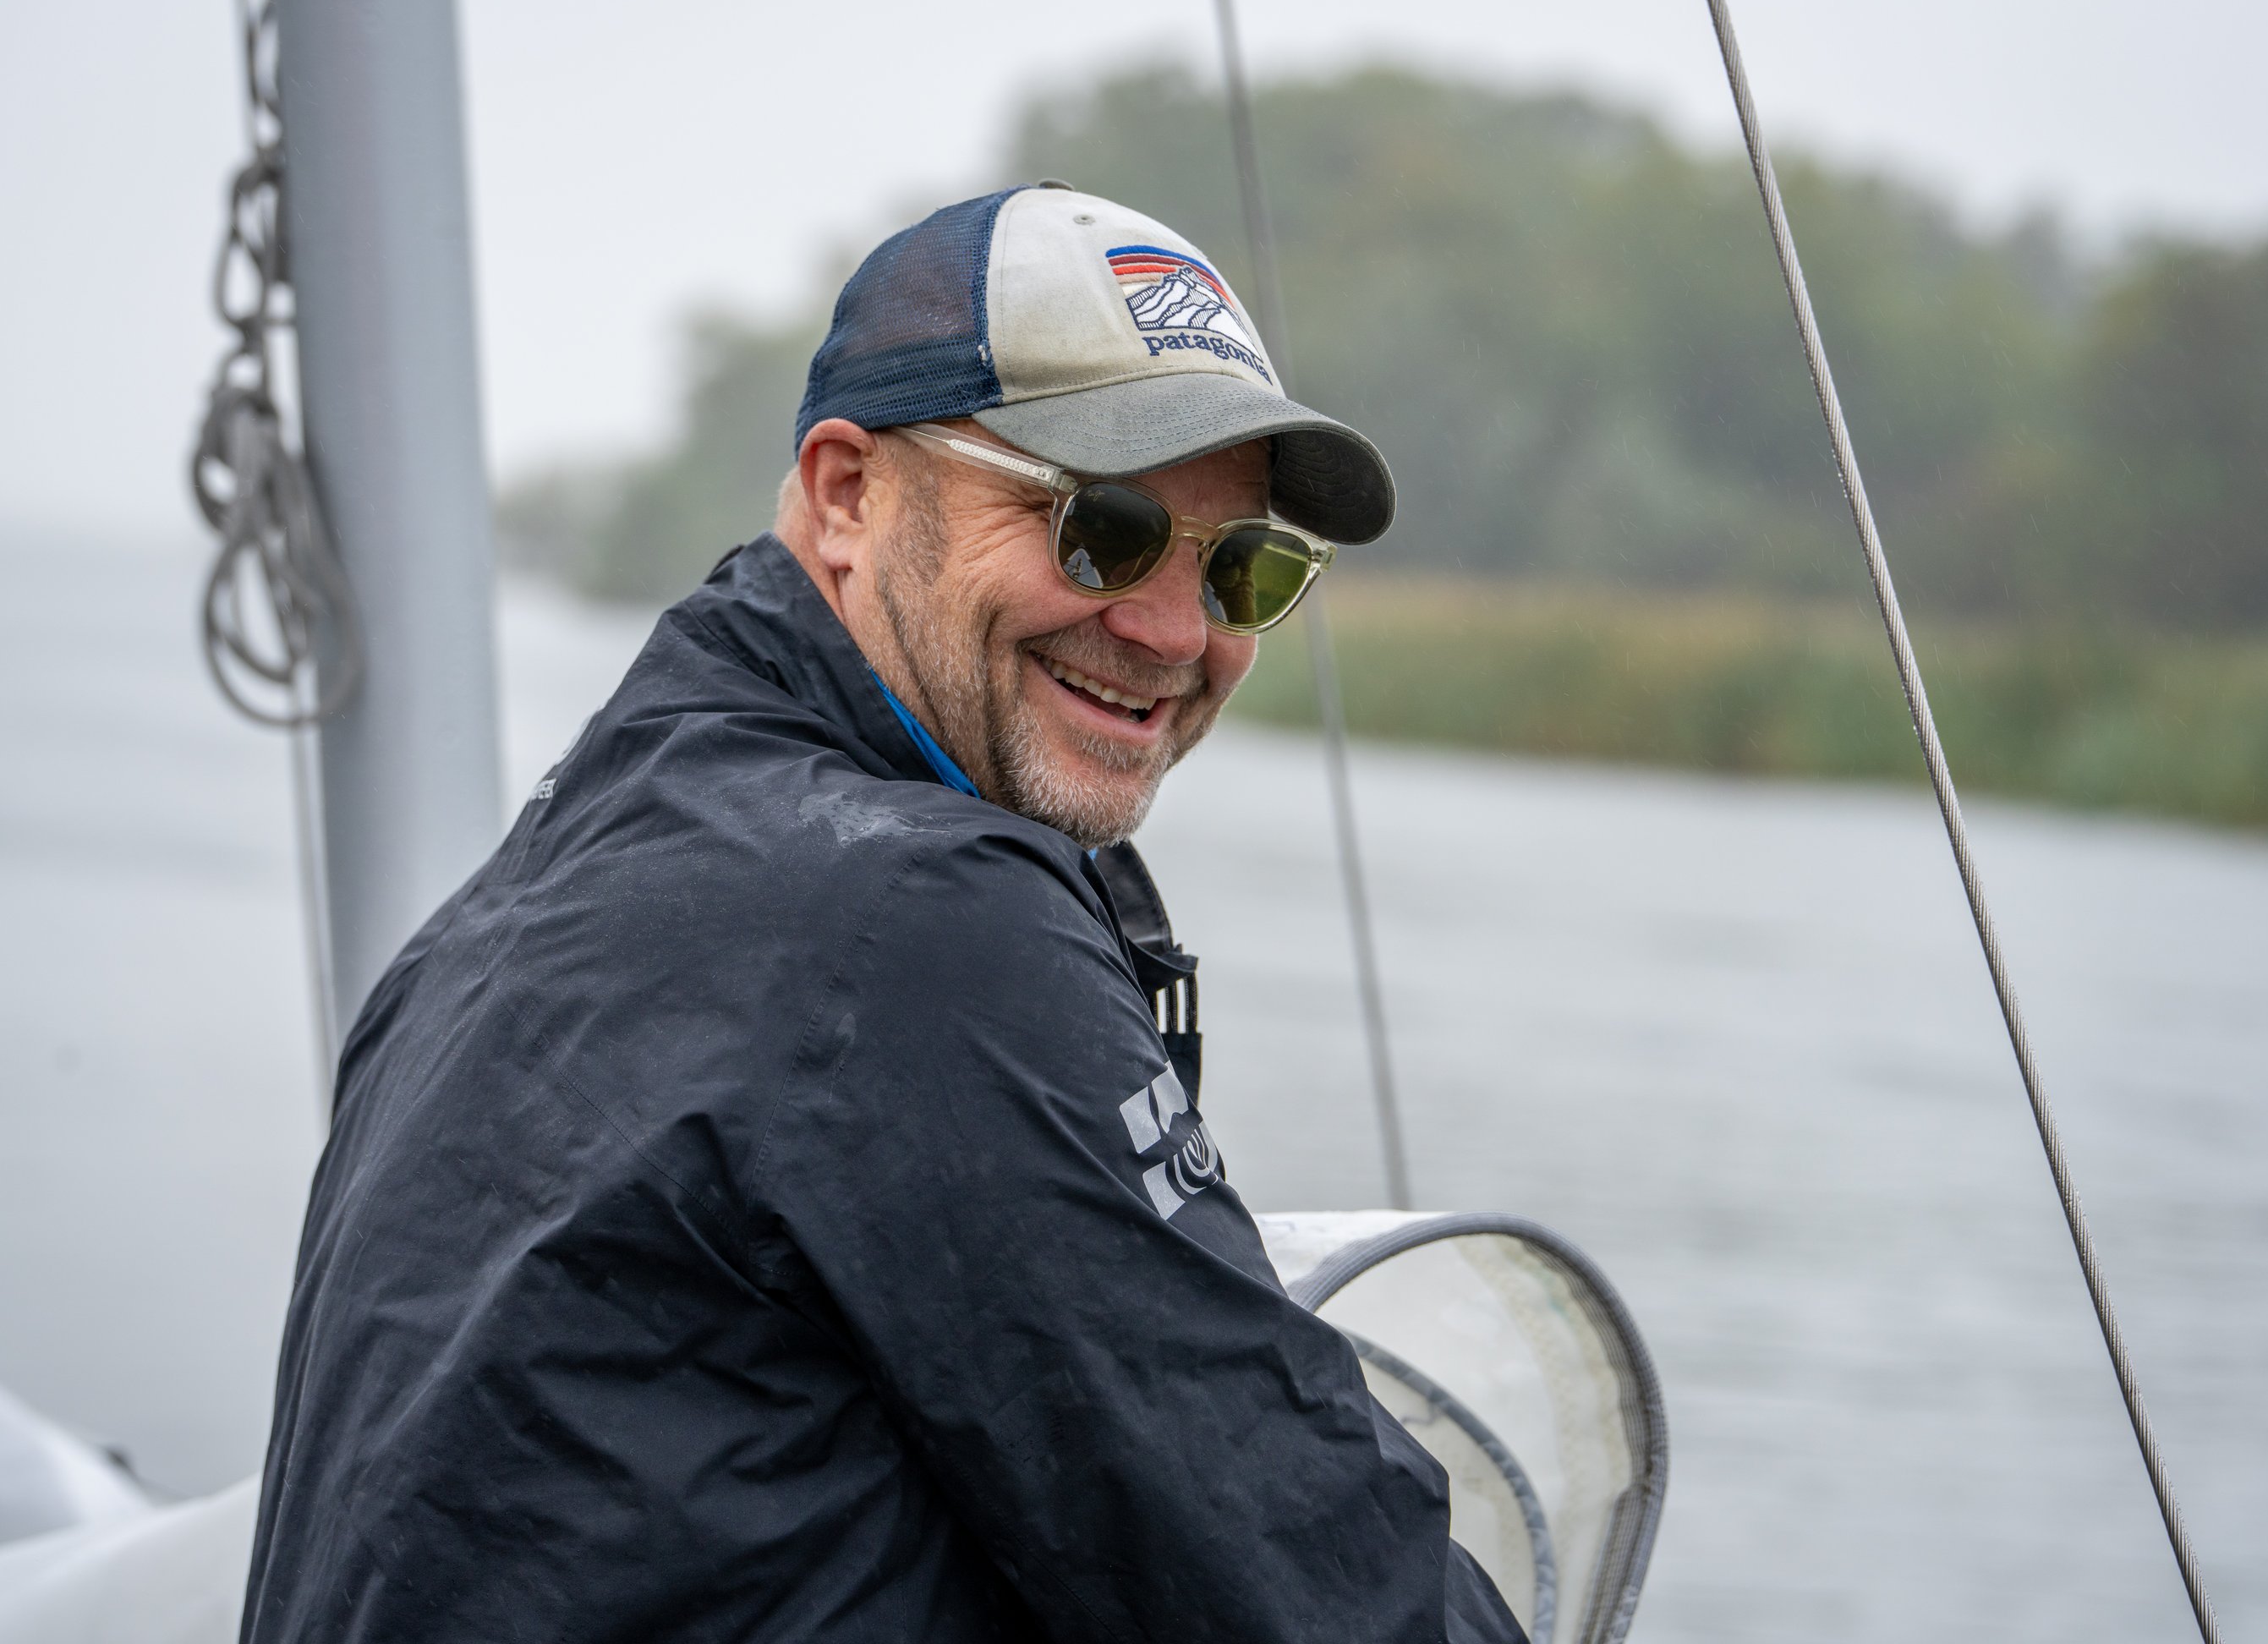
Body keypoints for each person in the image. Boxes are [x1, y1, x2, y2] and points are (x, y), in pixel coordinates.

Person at [242, 184, 1524, 1644]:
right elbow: (1315, 1580)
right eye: (1099, 531)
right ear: (850, 494)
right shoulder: (922, 927)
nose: (1176, 633)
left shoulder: (531, 890)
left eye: (1243, 568)